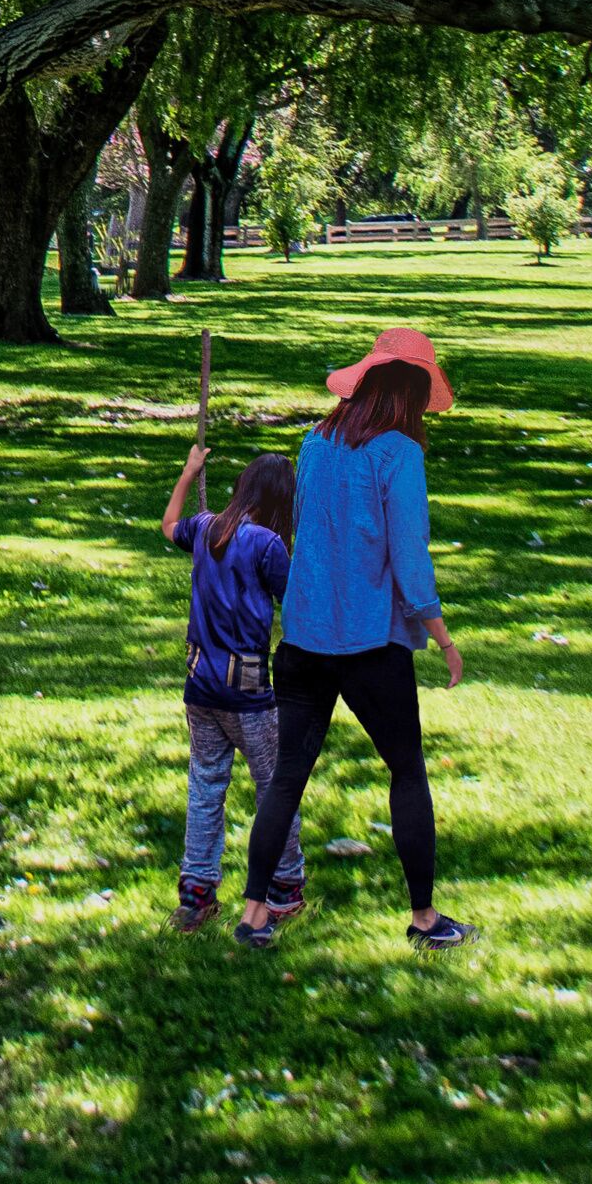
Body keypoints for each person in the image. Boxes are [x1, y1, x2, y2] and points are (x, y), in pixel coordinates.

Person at [234, 327, 473, 951]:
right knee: (407, 772)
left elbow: (306, 532)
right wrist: (443, 637)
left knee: (287, 779)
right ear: (411, 394)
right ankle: (425, 919)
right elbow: (410, 560)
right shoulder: (400, 455)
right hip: (371, 645)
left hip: (305, 641)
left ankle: (254, 915)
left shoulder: (315, 443)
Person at [164, 442, 303, 934]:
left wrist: (189, 472)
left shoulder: (206, 529)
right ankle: (285, 885)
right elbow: (297, 604)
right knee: (275, 787)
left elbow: (167, 526)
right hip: (247, 694)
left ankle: (196, 894)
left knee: (205, 787)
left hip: (199, 688)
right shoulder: (268, 545)